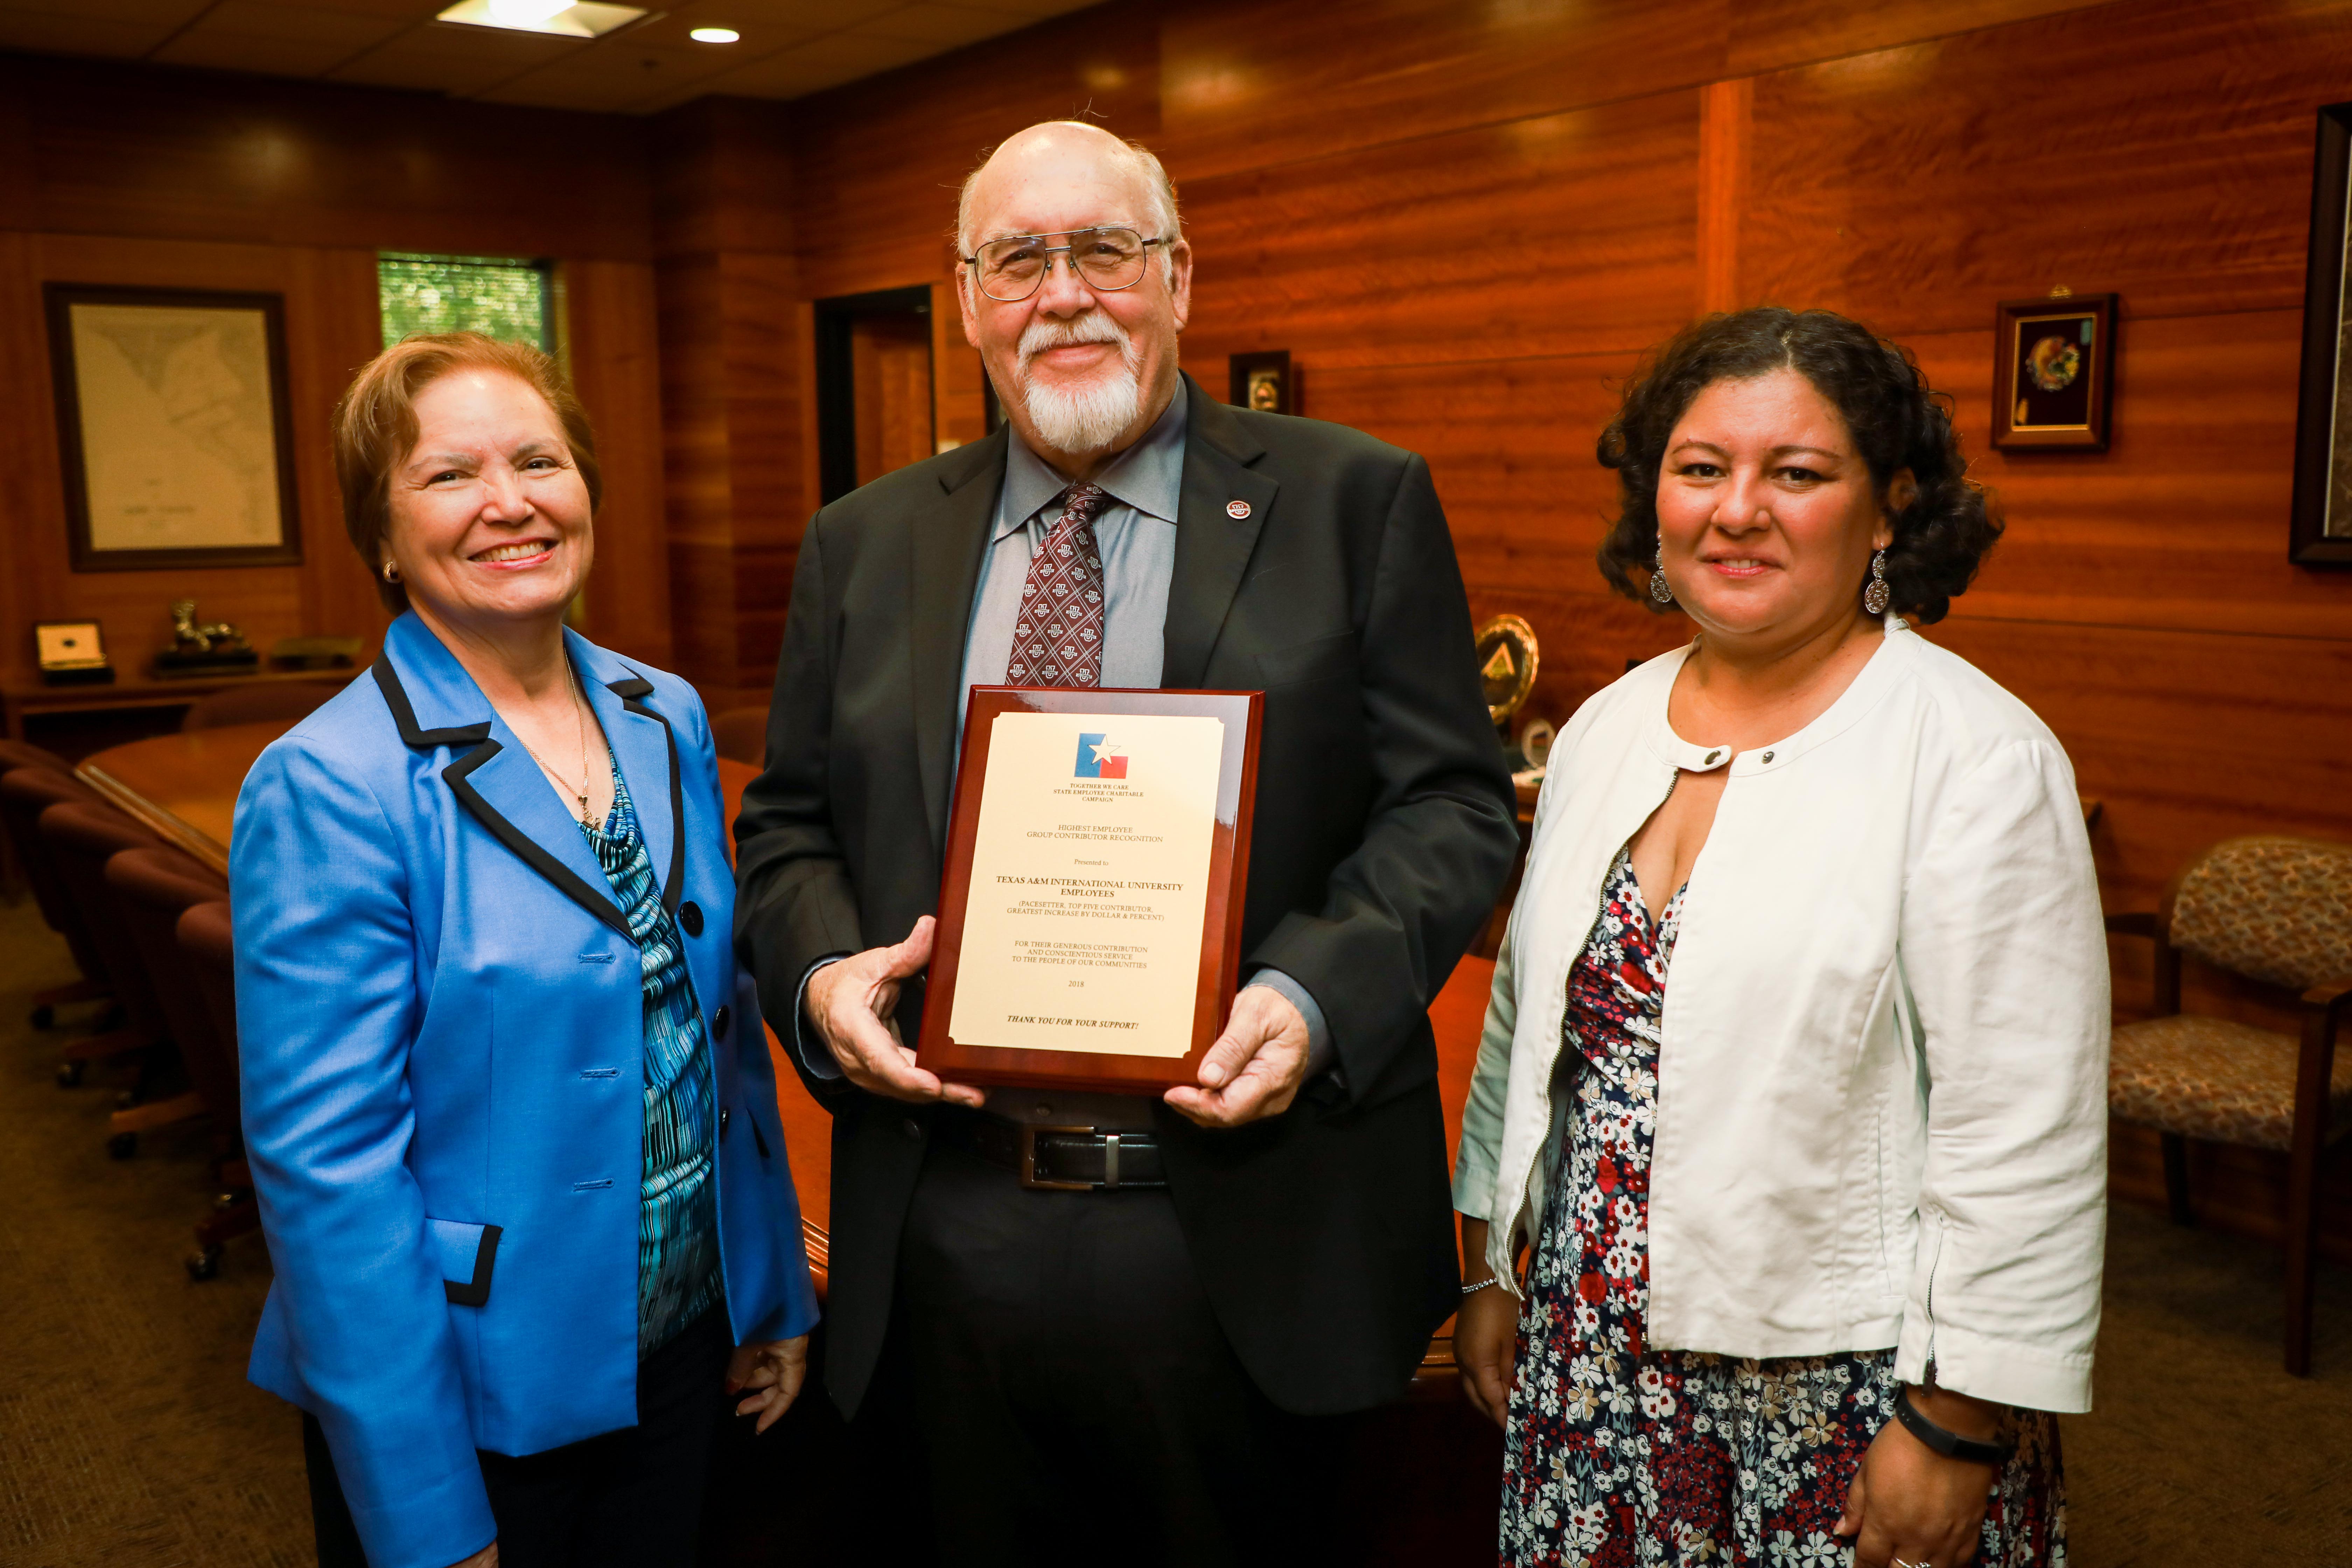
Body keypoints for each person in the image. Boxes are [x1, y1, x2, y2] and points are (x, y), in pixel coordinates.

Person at [735, 120, 1520, 1562]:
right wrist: (826, 974)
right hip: (948, 1220)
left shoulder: (1355, 501)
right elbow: (787, 827)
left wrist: (1313, 993)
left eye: (1106, 249)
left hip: (1245, 1218)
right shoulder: (865, 541)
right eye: (1020, 258)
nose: (1066, 291)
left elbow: (1454, 807)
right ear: (968, 299)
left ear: (1180, 277)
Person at [1451, 307, 2107, 1568]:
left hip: (1849, 1388)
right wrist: (1493, 1265)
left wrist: (1958, 1424)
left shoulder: (1976, 759)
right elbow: (1527, 1032)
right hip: (1595, 1357)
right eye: (1701, 470)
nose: (1736, 509)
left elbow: (2024, 1129)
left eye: (1797, 474)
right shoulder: (1602, 731)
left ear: (1887, 509)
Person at [233, 334, 819, 1568]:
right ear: (383, 542)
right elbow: (327, 1180)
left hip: (681, 1349)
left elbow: (714, 1035)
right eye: (449, 476)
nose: (511, 503)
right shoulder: (328, 785)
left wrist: (768, 1290)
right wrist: (424, 1510)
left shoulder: (665, 713)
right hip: (471, 1388)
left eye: (539, 461)